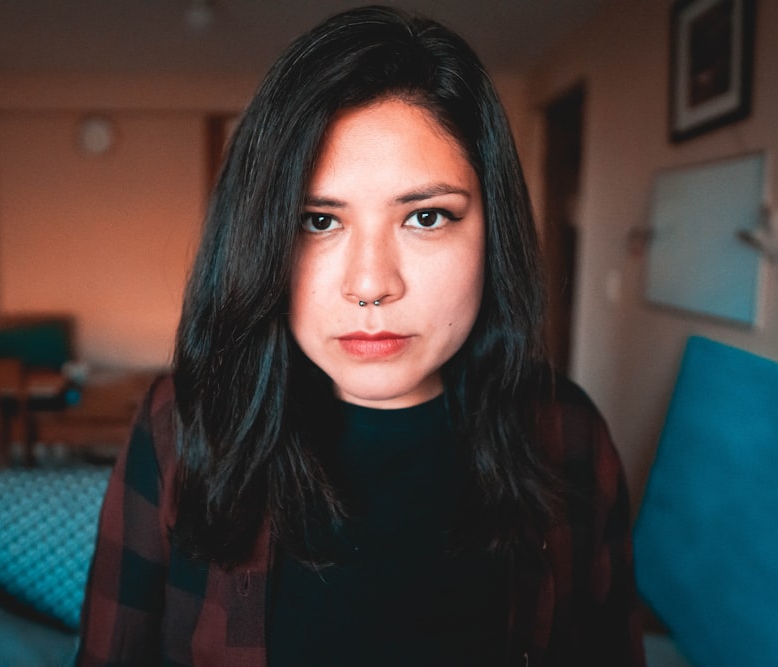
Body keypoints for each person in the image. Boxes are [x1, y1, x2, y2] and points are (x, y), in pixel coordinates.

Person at [77, 5, 645, 666]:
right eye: (318, 221)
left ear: (494, 231)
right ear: (261, 239)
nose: (371, 284)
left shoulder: (568, 434)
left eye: (426, 216)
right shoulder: (181, 422)